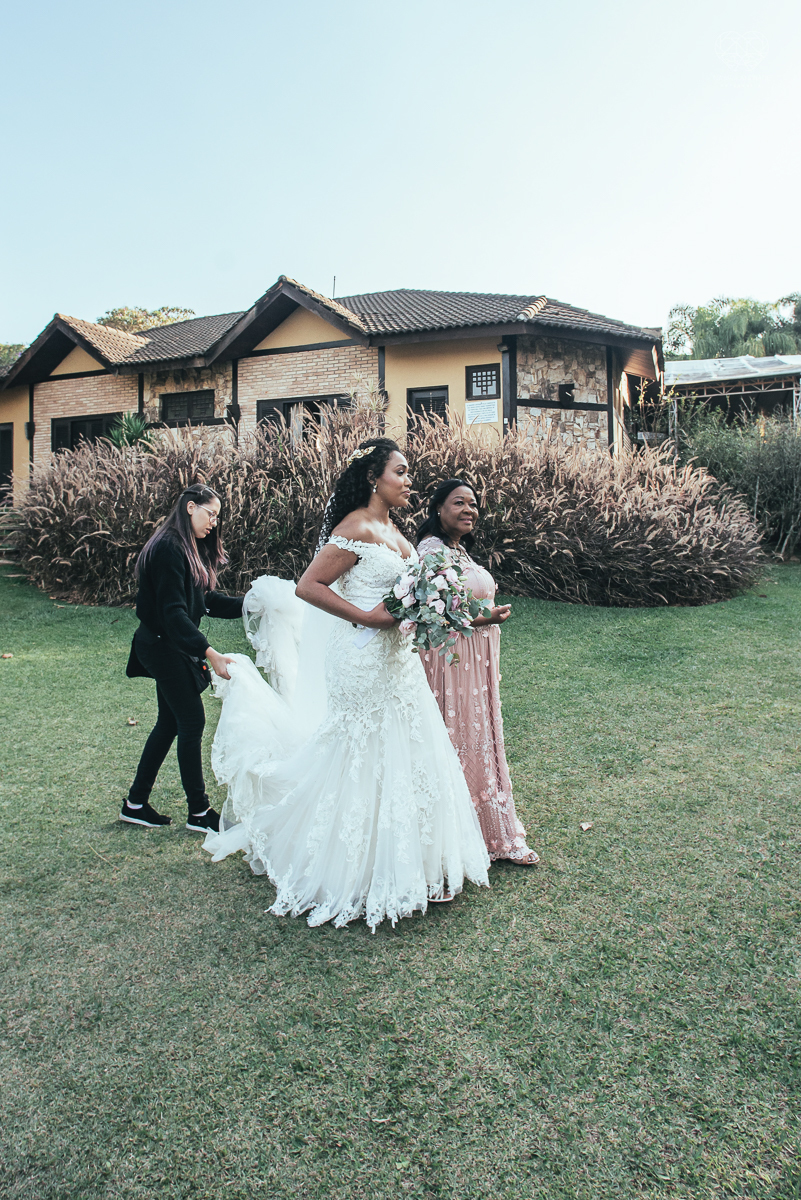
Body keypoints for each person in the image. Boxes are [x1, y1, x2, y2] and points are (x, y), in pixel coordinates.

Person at [202, 438, 490, 930]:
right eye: (401, 471)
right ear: (374, 477)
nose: (408, 480)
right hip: (360, 661)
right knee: (366, 750)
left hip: (397, 661)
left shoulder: (396, 533)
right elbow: (307, 586)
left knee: (410, 747)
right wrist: (365, 617)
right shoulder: (355, 526)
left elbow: (416, 596)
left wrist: (471, 618)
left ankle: (413, 865)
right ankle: (352, 868)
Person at [417, 478, 539, 866]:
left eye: (473, 504)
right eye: (459, 503)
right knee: (460, 736)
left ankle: (493, 831)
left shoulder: (459, 551)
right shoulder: (430, 552)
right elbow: (431, 610)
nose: (469, 510)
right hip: (450, 660)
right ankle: (461, 836)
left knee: (481, 734)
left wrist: (486, 618)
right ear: (438, 509)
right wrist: (485, 616)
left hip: (476, 658)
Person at [120, 484, 243, 832]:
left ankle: (136, 803)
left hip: (168, 644)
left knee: (170, 723)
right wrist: (209, 652)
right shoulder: (169, 549)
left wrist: (252, 603)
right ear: (191, 507)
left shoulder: (187, 548)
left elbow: (207, 600)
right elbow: (174, 615)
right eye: (211, 514)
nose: (214, 523)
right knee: (191, 722)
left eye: (218, 517)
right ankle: (200, 813)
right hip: (161, 645)